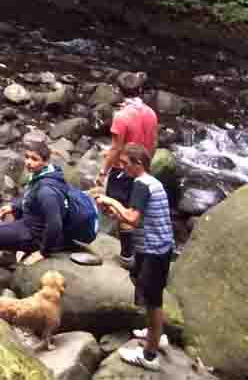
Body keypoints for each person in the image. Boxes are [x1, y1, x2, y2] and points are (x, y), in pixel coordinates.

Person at [97, 143, 174, 372]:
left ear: (138, 164)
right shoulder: (153, 182)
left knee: (153, 300)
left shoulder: (141, 185)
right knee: (145, 287)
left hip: (153, 250)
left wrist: (111, 202)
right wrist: (117, 211)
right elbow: (138, 217)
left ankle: (150, 355)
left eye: (125, 164)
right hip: (159, 247)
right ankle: (154, 333)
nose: (122, 169)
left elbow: (133, 219)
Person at [0, 136, 67, 286]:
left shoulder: (47, 191)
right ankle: (8, 255)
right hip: (34, 221)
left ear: (45, 161)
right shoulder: (48, 173)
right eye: (27, 157)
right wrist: (15, 207)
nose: (29, 162)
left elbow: (55, 224)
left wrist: (42, 252)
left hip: (35, 234)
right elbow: (32, 198)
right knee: (8, 212)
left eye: (34, 159)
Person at [97, 85, 159, 265]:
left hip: (123, 169)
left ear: (119, 91)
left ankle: (126, 255)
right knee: (136, 209)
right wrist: (146, 166)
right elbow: (154, 142)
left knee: (120, 210)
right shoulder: (150, 113)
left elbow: (116, 148)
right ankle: (136, 252)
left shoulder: (121, 117)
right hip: (141, 167)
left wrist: (103, 171)